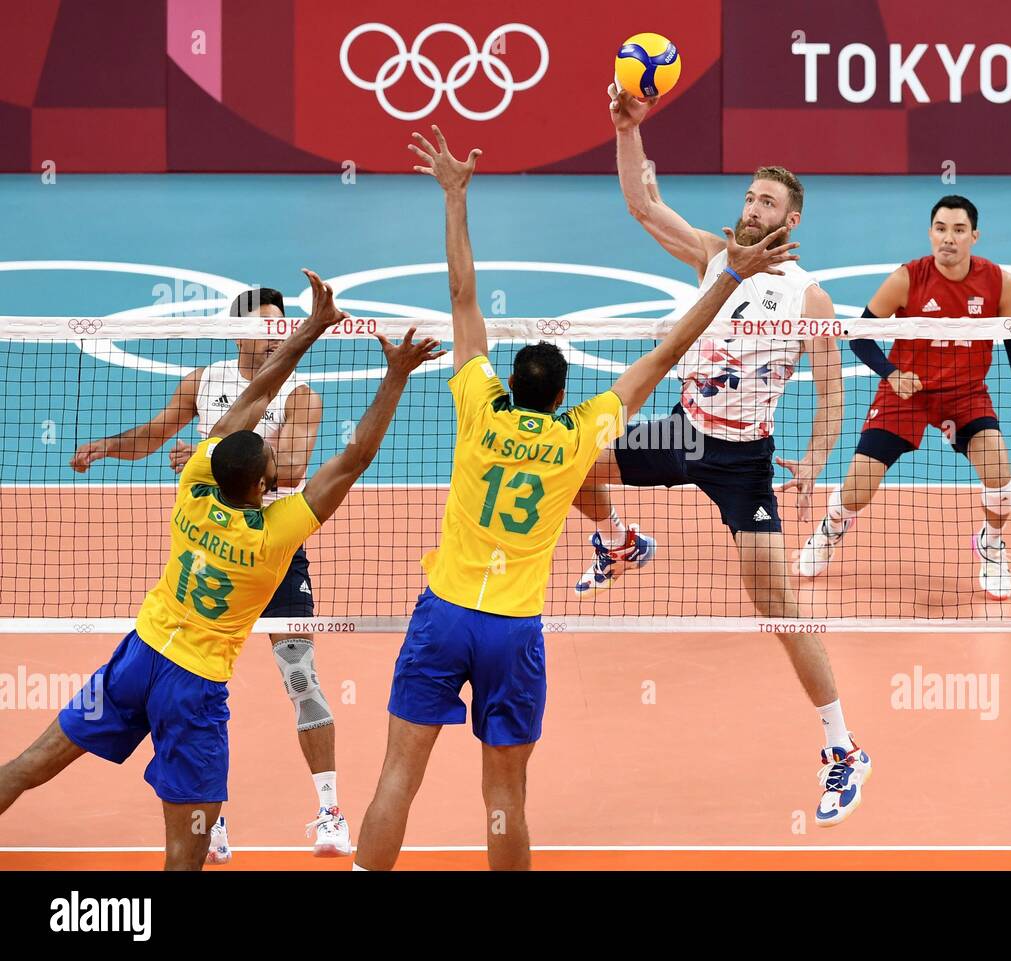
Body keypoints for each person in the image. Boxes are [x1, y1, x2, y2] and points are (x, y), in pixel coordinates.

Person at [352, 126, 799, 871]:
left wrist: (454, 196)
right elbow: (664, 356)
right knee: (506, 794)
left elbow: (463, 294)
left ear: (505, 383)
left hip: (443, 612)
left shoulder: (475, 407)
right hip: (511, 632)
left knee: (399, 772)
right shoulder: (576, 440)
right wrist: (730, 278)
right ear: (562, 394)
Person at [1, 271, 441, 869]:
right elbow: (356, 456)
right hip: (193, 689)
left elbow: (252, 399)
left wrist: (307, 330)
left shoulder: (193, 484)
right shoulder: (278, 532)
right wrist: (395, 377)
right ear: (266, 485)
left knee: (30, 765)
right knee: (188, 852)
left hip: (137, 657)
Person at [570, 85, 871, 824]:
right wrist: (626, 129)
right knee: (573, 461)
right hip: (682, 431)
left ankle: (843, 747)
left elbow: (833, 389)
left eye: (767, 202)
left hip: (743, 461)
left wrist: (817, 456)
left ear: (791, 220)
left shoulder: (811, 299)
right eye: (749, 196)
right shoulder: (714, 257)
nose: (752, 207)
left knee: (777, 605)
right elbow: (644, 205)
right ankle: (619, 541)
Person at [70, 290, 345, 860]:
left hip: (273, 548)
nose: (273, 334)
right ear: (234, 330)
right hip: (216, 552)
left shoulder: (302, 395)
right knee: (204, 686)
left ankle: (329, 811)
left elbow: (291, 467)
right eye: (262, 325)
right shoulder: (203, 380)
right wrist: (108, 447)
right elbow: (155, 433)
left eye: (281, 326)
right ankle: (211, 822)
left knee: (301, 678)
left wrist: (209, 455)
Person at [797, 195, 1011, 600]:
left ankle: (991, 546)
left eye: (958, 230)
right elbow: (859, 335)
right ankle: (829, 530)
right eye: (941, 229)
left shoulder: (1000, 284)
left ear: (974, 236)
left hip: (965, 396)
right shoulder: (907, 279)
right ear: (931, 233)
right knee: (859, 487)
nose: (948, 238)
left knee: (1002, 480)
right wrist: (891, 375)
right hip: (907, 392)